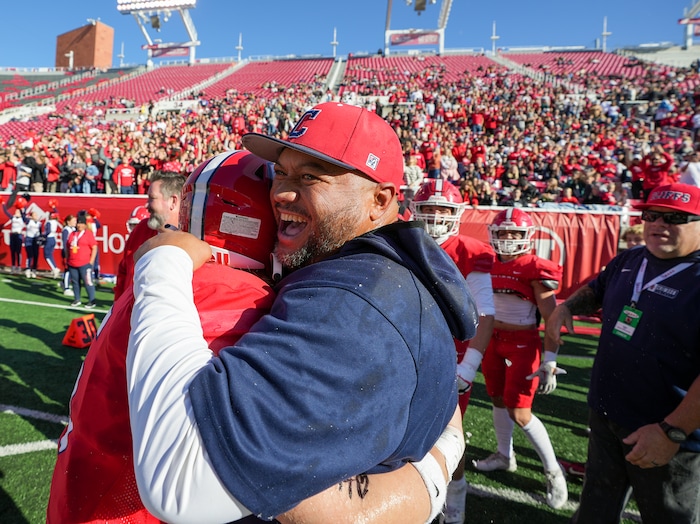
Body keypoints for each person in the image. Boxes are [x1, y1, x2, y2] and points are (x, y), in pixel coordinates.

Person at [48, 149, 464, 524]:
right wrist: (435, 466)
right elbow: (226, 466)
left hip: (87, 489)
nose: (284, 198)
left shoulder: (182, 273)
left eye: (307, 178)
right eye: (279, 182)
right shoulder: (230, 290)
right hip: (130, 508)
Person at [547, 182, 700, 523]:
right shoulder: (632, 257)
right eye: (652, 215)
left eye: (675, 218)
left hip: (666, 434)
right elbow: (597, 289)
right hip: (606, 416)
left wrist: (672, 431)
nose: (659, 224)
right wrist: (567, 307)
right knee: (594, 513)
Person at [411, 178, 496, 524]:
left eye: (442, 209)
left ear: (455, 214)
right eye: (428, 208)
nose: (434, 216)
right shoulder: (404, 241)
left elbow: (486, 313)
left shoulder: (469, 253)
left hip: (451, 356)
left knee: (449, 434)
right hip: (406, 348)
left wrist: (470, 365)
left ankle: (456, 494)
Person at [472, 207, 569, 510]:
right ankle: (505, 456)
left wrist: (550, 359)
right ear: (493, 234)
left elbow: (552, 319)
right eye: (504, 232)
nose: (509, 238)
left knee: (520, 412)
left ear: (527, 237)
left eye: (515, 233)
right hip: (491, 340)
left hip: (522, 343)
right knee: (497, 399)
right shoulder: (485, 263)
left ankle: (554, 471)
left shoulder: (534, 268)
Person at [113, 170, 186, 301]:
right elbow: (123, 272)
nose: (146, 205)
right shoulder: (141, 229)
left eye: (152, 198)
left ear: (173, 201)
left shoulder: (193, 239)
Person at [66, 211, 97, 308]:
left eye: (81, 223)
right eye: (78, 223)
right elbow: (67, 246)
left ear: (85, 225)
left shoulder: (88, 234)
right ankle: (77, 299)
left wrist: (91, 261)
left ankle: (92, 300)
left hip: (84, 263)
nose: (79, 225)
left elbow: (94, 247)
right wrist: (67, 259)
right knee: (75, 282)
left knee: (88, 282)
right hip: (72, 262)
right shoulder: (72, 234)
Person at [2, 194, 26, 274]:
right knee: (12, 251)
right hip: (13, 235)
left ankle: (18, 267)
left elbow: (24, 212)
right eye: (15, 211)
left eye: (17, 211)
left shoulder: (22, 219)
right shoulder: (13, 218)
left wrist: (22, 205)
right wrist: (3, 204)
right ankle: (13, 267)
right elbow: (6, 212)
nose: (16, 212)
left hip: (19, 235)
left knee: (18, 252)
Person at [43, 206, 62, 278]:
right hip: (54, 238)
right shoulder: (55, 221)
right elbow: (57, 213)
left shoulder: (49, 222)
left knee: (47, 255)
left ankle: (54, 268)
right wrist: (54, 207)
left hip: (49, 239)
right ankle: (54, 267)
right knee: (50, 255)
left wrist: (43, 236)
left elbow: (48, 231)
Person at [60, 214, 76, 296]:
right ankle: (66, 288)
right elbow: (65, 243)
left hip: (72, 251)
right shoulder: (66, 230)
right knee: (67, 270)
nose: (75, 222)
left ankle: (63, 283)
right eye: (73, 221)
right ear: (68, 221)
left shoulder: (73, 229)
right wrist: (66, 255)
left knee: (71, 270)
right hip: (67, 252)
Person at [23, 209, 41, 278]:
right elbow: (23, 217)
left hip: (35, 240)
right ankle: (28, 269)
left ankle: (34, 270)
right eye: (35, 215)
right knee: (30, 254)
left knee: (36, 255)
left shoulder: (39, 223)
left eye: (37, 215)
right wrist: (23, 209)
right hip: (29, 239)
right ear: (31, 216)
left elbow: (40, 232)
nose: (36, 216)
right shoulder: (29, 221)